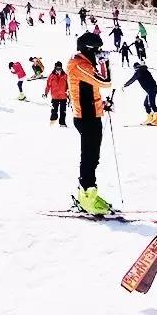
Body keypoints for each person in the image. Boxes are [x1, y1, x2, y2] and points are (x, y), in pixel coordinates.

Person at [68, 32, 112, 215]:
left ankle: (88, 192)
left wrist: (103, 104)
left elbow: (89, 90)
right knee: (89, 158)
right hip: (86, 118)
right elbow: (105, 82)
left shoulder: (84, 64)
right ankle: (86, 195)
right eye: (98, 50)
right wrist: (104, 64)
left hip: (91, 114)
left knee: (93, 157)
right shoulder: (80, 64)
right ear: (89, 50)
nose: (100, 53)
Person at [44, 61, 68, 127]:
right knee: (54, 110)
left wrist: (69, 95)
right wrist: (46, 93)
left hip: (63, 96)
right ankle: (52, 122)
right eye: (57, 68)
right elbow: (48, 85)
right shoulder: (51, 76)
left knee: (63, 111)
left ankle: (62, 123)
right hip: (55, 97)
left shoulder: (65, 76)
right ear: (55, 68)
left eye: (60, 69)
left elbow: (69, 86)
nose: (58, 70)